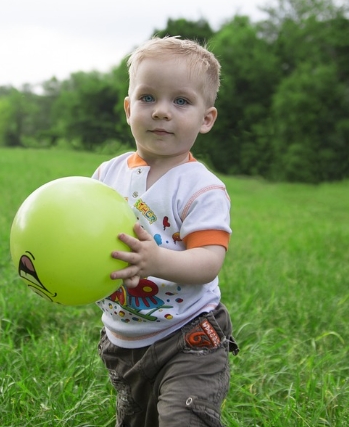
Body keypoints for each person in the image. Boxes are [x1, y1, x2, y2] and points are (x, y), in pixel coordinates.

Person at [92, 36, 238, 427]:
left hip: (188, 335)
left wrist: (156, 260)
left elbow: (208, 261)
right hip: (124, 340)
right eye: (147, 98)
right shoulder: (108, 175)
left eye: (181, 101)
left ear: (206, 118)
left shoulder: (200, 188)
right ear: (128, 108)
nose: (161, 112)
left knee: (182, 418)